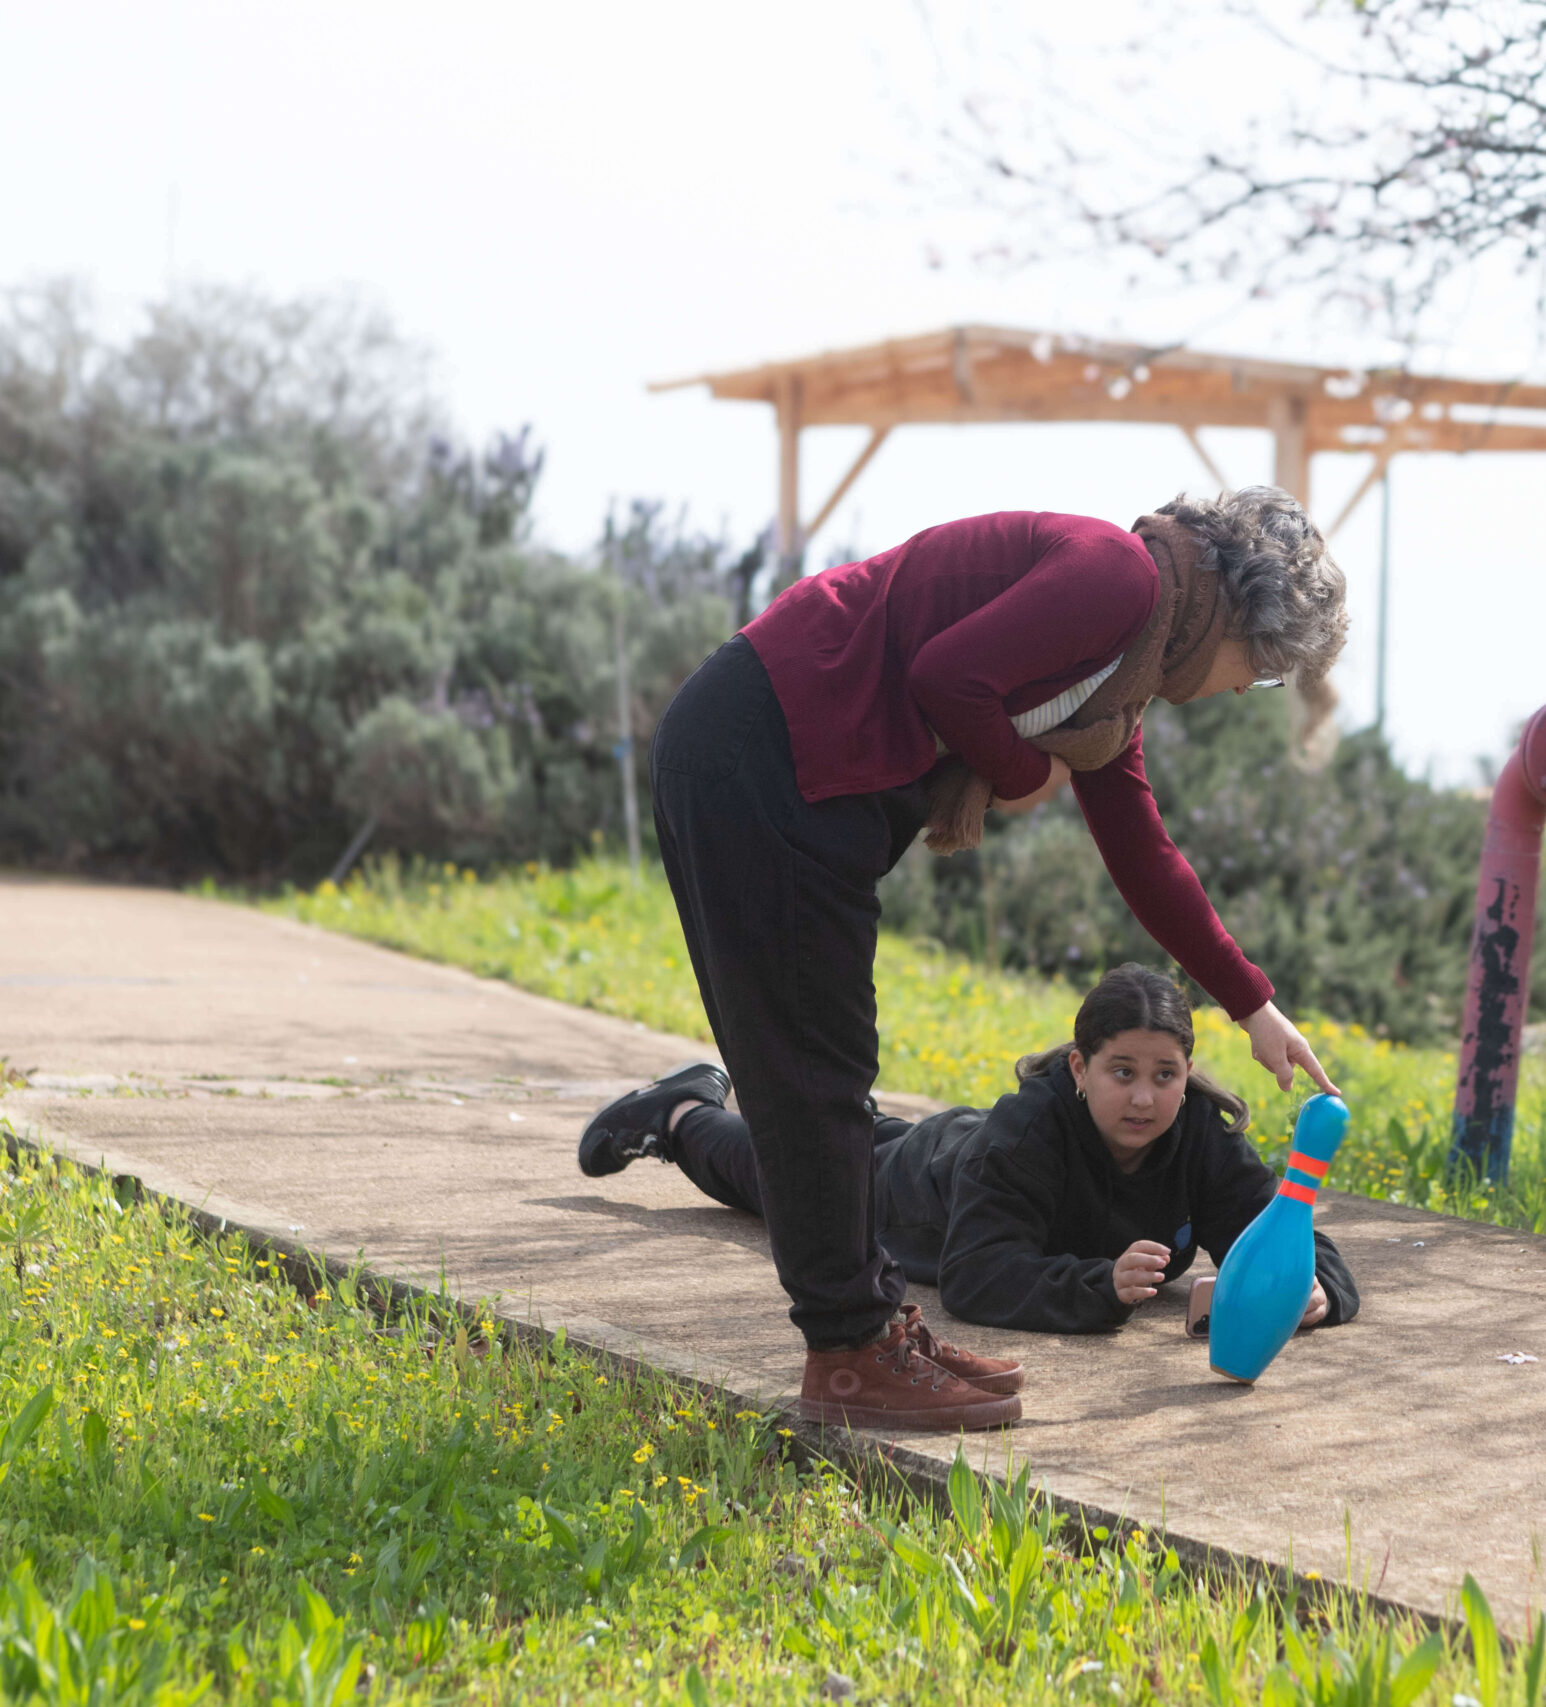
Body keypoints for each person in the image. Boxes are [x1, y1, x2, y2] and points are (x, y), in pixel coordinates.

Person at [575, 491, 1348, 1433]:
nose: (1242, 688)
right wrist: (1024, 778)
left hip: (807, 770)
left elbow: (1146, 855)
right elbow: (951, 676)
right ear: (1237, 613)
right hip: (771, 748)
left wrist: (1252, 1006)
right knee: (813, 1070)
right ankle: (851, 1355)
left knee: (827, 1070)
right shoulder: (1118, 579)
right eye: (1263, 669)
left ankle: (872, 1332)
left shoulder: (1116, 677)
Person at [594, 965, 1361, 1345]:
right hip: (920, 1193)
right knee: (777, 1171)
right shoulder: (1033, 1130)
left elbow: (1287, 1232)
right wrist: (1100, 1283)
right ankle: (682, 1109)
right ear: (1078, 1068)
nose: (1142, 1099)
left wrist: (1317, 1287)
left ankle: (751, 1111)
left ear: (1186, 1075)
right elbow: (973, 1276)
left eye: (1164, 1076)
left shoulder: (1196, 1132)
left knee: (847, 1131)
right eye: (1121, 1072)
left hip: (967, 1146)